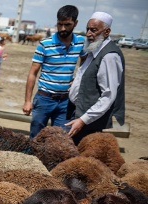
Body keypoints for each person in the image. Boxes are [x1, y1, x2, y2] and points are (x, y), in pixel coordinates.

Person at [22, 5, 85, 139]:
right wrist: (27, 101)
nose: (63, 28)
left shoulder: (80, 42)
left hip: (65, 102)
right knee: (36, 138)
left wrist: (77, 80)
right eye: (60, 24)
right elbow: (32, 73)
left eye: (67, 24)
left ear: (76, 23)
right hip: (44, 99)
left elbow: (85, 65)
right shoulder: (45, 44)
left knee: (62, 140)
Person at [66, 12, 125, 145]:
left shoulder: (109, 56)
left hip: (89, 122)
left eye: (94, 30)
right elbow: (87, 76)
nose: (88, 34)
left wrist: (83, 120)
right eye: (87, 29)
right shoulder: (94, 50)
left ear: (106, 32)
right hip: (78, 113)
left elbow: (108, 95)